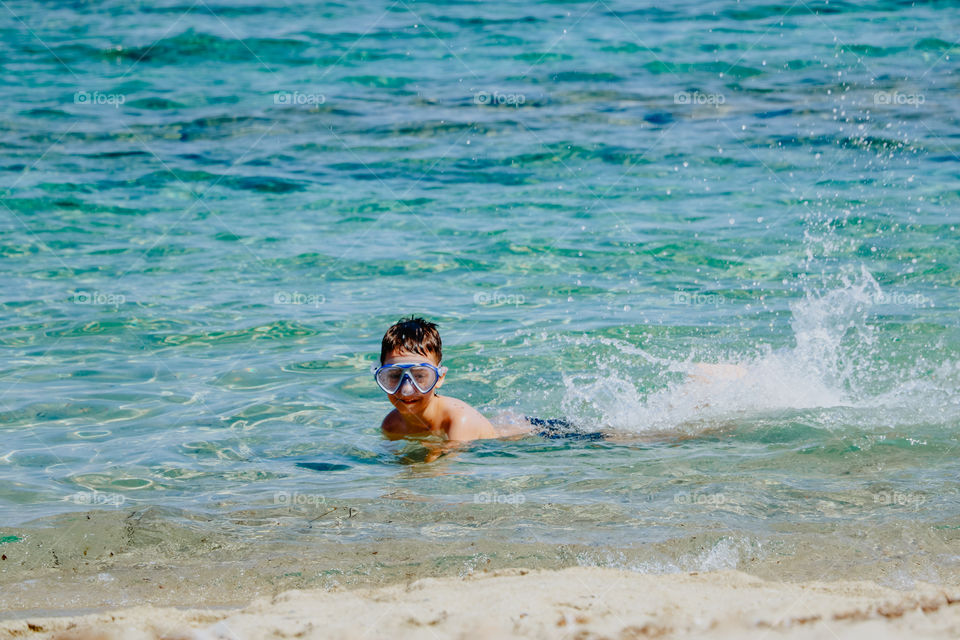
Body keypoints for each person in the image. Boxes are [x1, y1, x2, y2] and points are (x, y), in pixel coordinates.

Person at [374, 316, 503, 442]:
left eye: (419, 376)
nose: (406, 390)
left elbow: (449, 457)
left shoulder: (459, 421)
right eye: (395, 376)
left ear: (439, 378)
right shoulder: (391, 425)